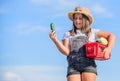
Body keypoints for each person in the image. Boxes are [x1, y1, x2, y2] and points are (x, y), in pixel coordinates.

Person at [49, 6, 115, 81]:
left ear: (86, 19)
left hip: (89, 65)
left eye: (80, 18)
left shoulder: (92, 32)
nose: (77, 21)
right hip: (73, 66)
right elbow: (67, 52)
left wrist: (109, 48)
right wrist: (55, 40)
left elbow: (111, 35)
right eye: (75, 18)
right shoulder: (68, 34)